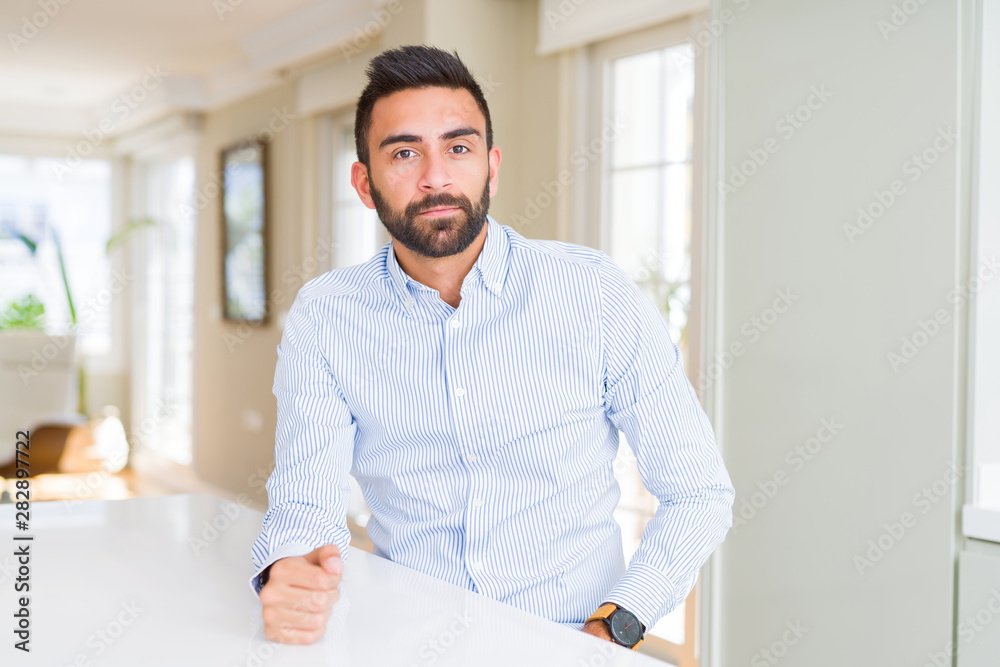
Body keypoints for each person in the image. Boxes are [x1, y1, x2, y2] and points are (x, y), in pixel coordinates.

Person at [250, 43, 734, 649]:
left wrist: (615, 625)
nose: (436, 176)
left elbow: (699, 492)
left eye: (458, 147)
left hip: (575, 642)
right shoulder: (325, 317)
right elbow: (306, 499)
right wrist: (292, 569)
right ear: (365, 184)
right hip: (410, 642)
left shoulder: (594, 293)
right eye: (404, 153)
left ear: (491, 166)